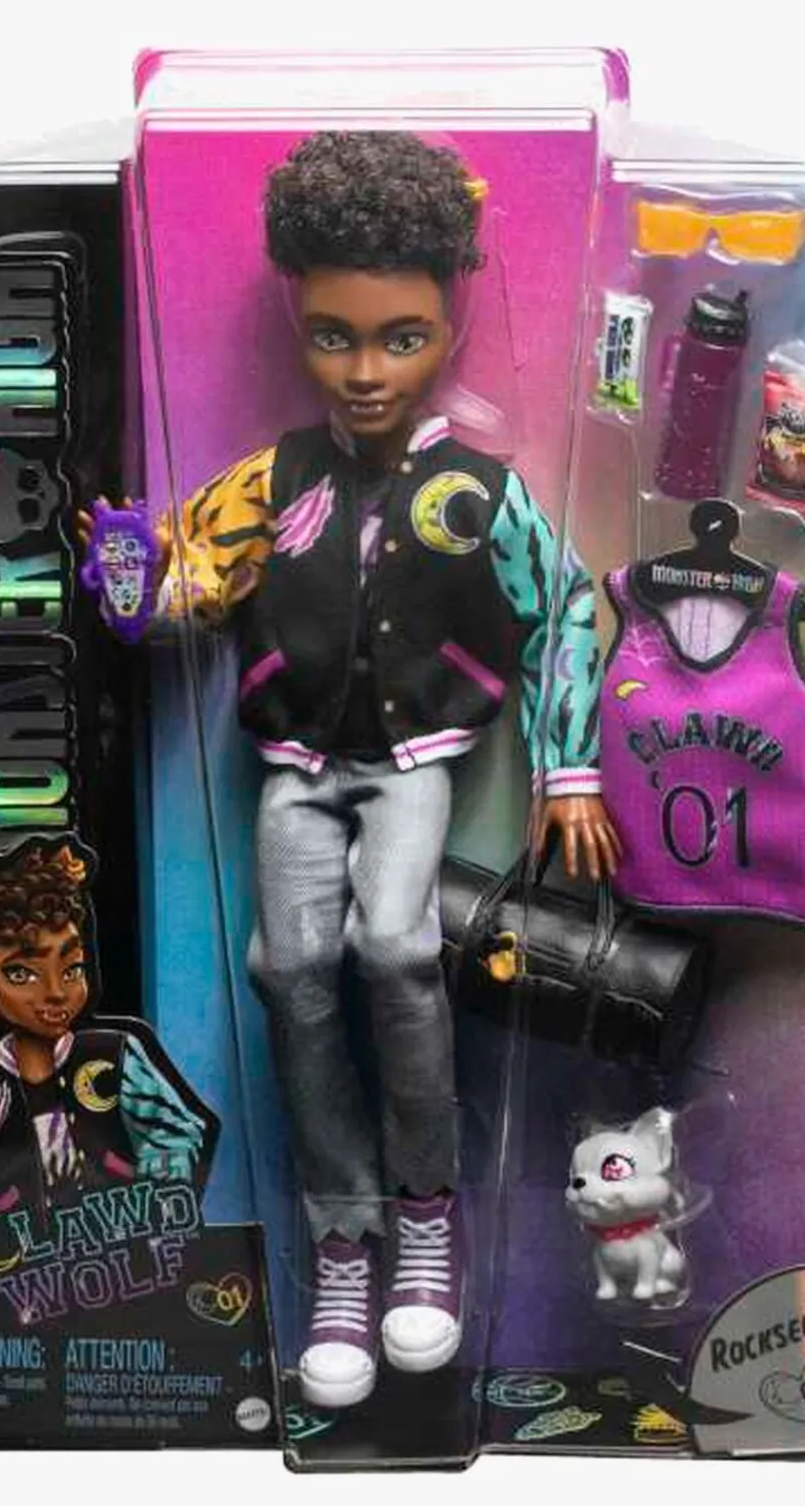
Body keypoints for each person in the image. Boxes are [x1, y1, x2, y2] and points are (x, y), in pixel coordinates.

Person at [81, 130, 619, 1408]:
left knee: (394, 944)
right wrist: (134, 579)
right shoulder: (276, 478)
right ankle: (342, 1238)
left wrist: (569, 769)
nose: (366, 370)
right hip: (295, 763)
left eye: (400, 337)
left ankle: (425, 1214)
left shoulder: (479, 489)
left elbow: (565, 605)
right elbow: (190, 575)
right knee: (286, 966)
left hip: (414, 758)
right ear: (296, 318)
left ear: (449, 324)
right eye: (334, 336)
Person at [0, 839, 215, 1262]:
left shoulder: (113, 1059)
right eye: (22, 974)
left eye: (72, 969)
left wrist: (155, 1202)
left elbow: (174, 1135)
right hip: (30, 1279)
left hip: (130, 1262)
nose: (56, 992)